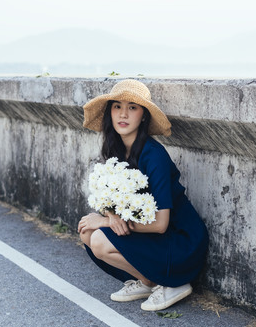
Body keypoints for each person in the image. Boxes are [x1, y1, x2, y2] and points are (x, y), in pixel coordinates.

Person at [77, 79, 208, 311]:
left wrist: (107, 221)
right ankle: (149, 282)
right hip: (153, 239)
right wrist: (110, 214)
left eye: (132, 107)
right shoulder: (116, 150)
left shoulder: (153, 155)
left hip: (179, 242)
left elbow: (160, 224)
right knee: (88, 232)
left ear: (144, 116)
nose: (123, 114)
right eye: (117, 106)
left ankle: (172, 283)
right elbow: (111, 197)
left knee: (99, 237)